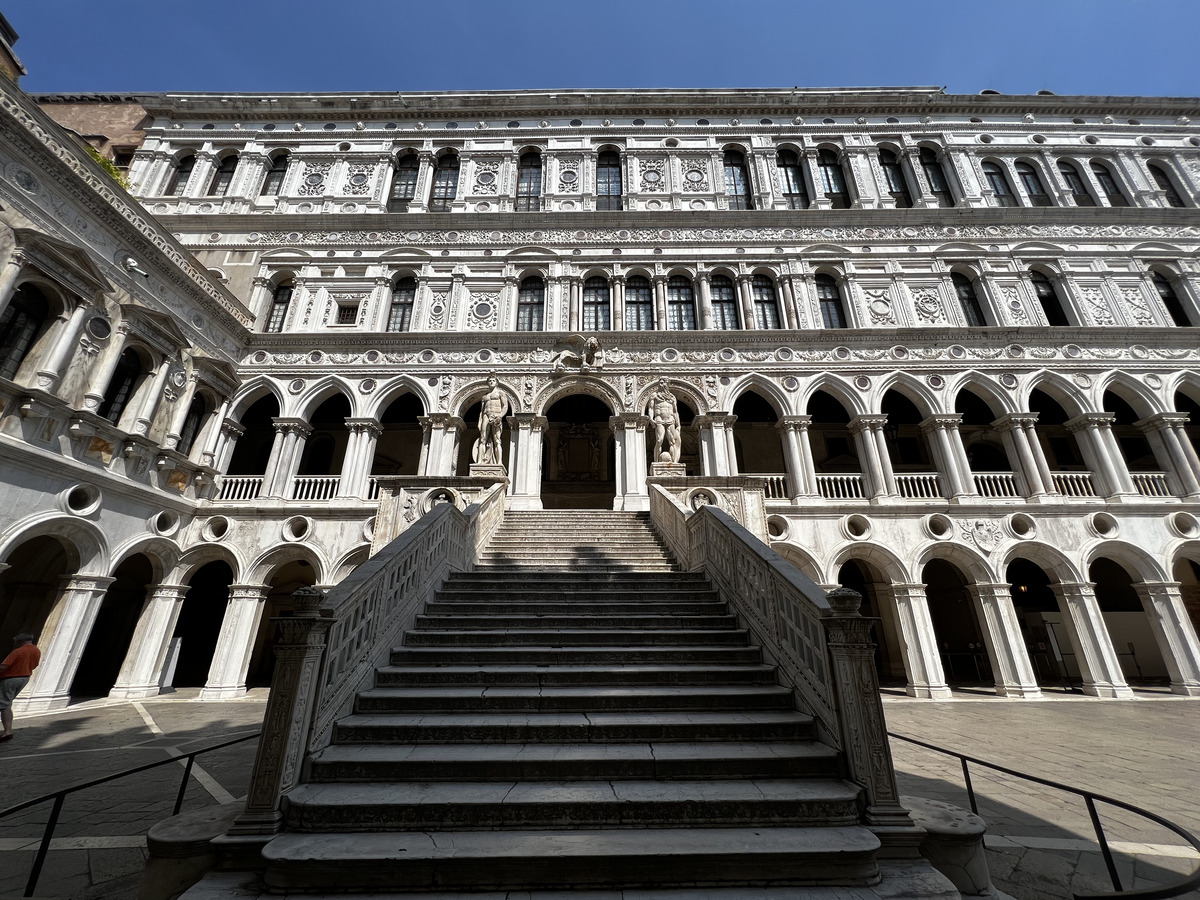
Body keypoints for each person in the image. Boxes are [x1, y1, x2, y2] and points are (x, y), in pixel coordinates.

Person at [0, 633, 40, 742]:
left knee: (4, 704)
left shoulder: (18, 651)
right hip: (24, 677)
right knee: (6, 703)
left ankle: (7, 731)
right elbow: (35, 665)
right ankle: (8, 731)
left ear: (20, 641)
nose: (14, 644)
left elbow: (4, 666)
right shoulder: (36, 650)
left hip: (11, 678)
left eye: (15, 642)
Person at [473, 375, 509, 466]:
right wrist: (479, 421)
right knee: (482, 439)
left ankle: (499, 462)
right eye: (490, 381)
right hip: (486, 415)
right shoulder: (485, 397)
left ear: (496, 382)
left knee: (497, 440)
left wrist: (500, 416)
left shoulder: (500, 393)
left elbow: (505, 406)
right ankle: (480, 461)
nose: (491, 382)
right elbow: (481, 411)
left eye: (493, 380)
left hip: (496, 415)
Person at [648, 378, 681, 464]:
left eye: (663, 383)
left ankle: (674, 463)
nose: (661, 385)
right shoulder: (654, 395)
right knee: (659, 440)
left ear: (668, 384)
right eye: (660, 383)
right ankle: (657, 462)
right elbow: (651, 408)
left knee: (672, 442)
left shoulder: (672, 397)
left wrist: (678, 424)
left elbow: (675, 411)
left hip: (670, 419)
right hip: (659, 419)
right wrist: (651, 418)